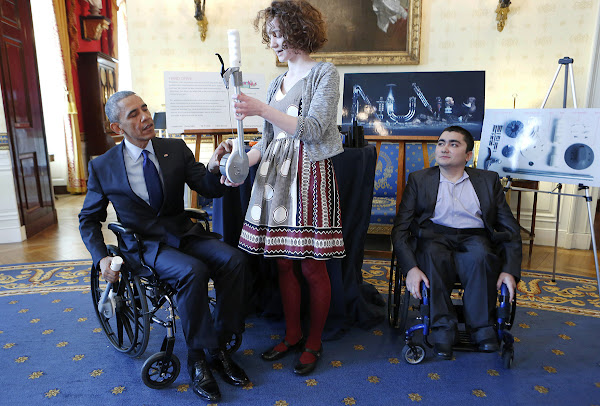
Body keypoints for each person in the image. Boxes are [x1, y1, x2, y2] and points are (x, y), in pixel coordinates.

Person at [79, 91, 250, 402]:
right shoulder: (103, 166)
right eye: (133, 114)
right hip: (144, 246)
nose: (145, 117)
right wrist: (101, 257)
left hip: (182, 233)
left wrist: (213, 168)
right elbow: (88, 219)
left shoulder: (174, 148)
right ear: (117, 128)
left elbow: (208, 187)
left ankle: (219, 345)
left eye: (144, 108)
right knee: (192, 272)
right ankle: (197, 359)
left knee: (234, 260)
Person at [226, 0, 345, 376]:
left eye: (278, 34)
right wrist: (240, 165)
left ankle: (313, 341)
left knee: (311, 266)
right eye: (270, 35)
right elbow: (268, 141)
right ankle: (292, 334)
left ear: (299, 31)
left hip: (308, 175)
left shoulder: (325, 73)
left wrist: (261, 108)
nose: (273, 42)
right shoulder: (278, 82)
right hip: (275, 180)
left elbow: (311, 130)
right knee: (282, 262)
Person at [391, 125, 521, 360]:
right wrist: (410, 268)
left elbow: (509, 230)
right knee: (431, 256)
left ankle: (482, 328)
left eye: (454, 144)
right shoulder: (419, 180)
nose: (444, 148)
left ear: (468, 155)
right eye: (441, 143)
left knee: (481, 257)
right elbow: (400, 229)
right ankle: (442, 329)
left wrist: (509, 271)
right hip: (434, 236)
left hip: (475, 237)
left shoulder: (488, 181)